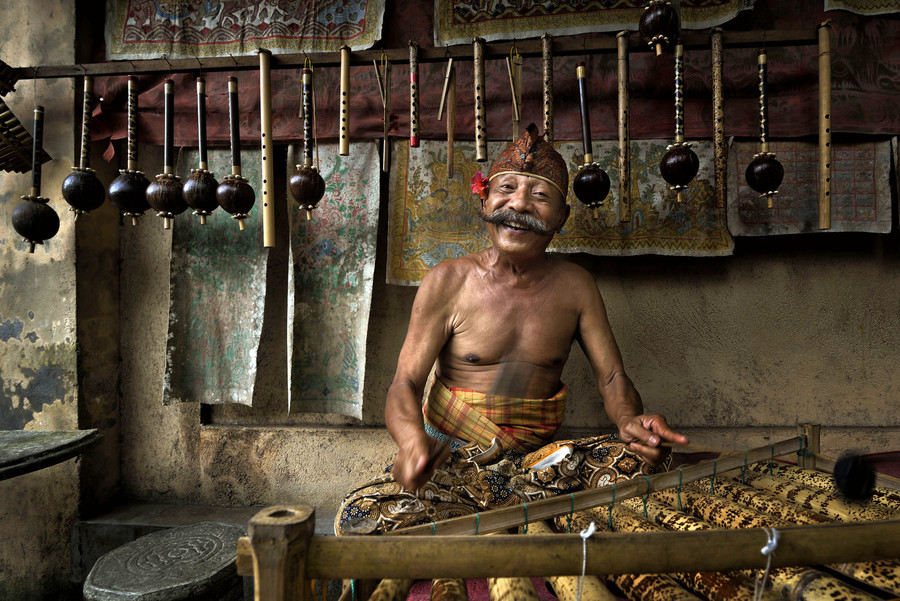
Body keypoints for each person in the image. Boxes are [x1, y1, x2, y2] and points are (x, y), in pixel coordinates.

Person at [335, 124, 688, 535]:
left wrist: (630, 420)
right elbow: (405, 384)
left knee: (644, 460)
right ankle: (533, 519)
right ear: (484, 198)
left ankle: (499, 519)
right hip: (452, 461)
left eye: (540, 196)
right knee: (360, 516)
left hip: (539, 466)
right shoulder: (447, 281)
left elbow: (612, 377)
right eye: (505, 188)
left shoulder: (577, 286)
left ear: (561, 217)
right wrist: (412, 440)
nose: (519, 204)